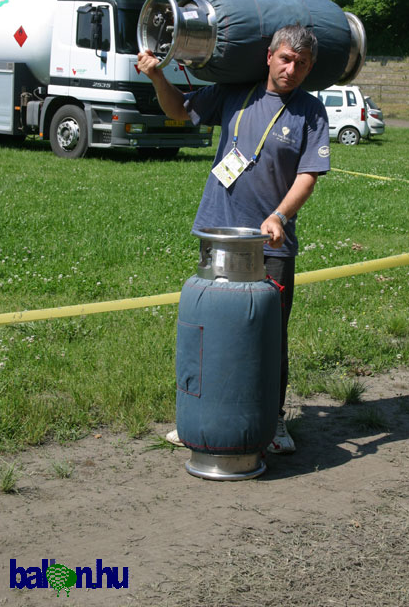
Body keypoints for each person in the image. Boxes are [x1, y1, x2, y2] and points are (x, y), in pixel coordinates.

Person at [137, 24, 330, 453]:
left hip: (271, 245)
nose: (292, 69)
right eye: (286, 59)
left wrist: (280, 215)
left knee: (268, 334)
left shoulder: (311, 111)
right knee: (211, 330)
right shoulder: (234, 93)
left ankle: (272, 421)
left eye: (301, 64)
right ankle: (201, 417)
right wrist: (156, 76)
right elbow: (179, 110)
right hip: (218, 235)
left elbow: (308, 175)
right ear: (269, 56)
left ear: (310, 68)